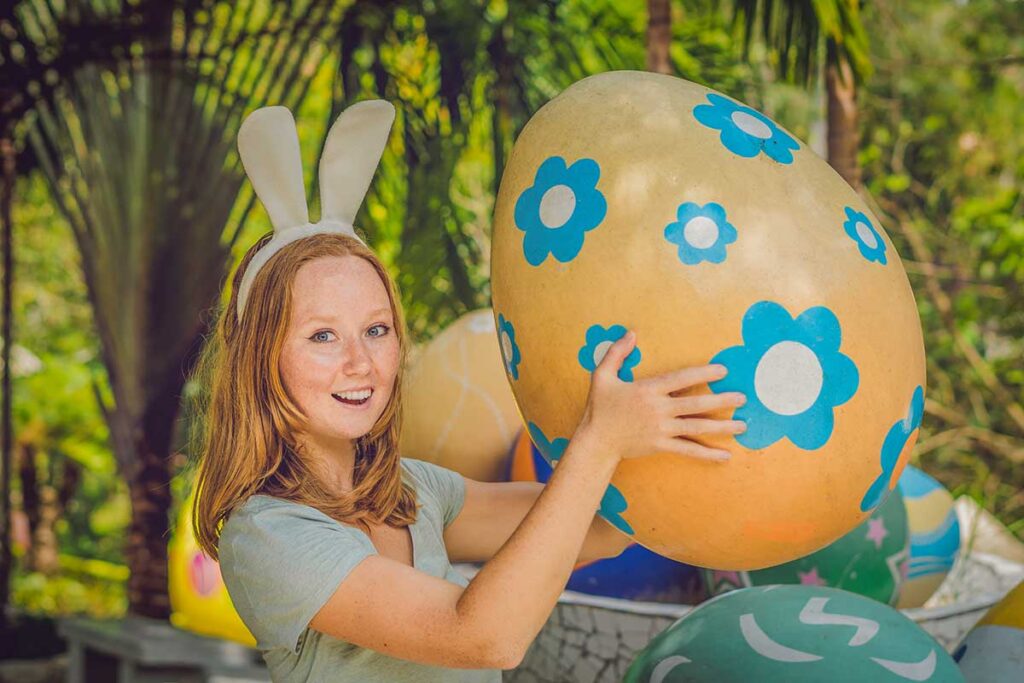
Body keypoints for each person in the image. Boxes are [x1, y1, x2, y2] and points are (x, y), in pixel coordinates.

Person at [190, 101, 747, 682]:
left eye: (376, 330)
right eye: (322, 336)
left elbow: (600, 527)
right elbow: (484, 637)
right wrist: (600, 438)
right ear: (261, 360)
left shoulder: (414, 491)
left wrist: (695, 410)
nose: (360, 363)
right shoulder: (269, 533)